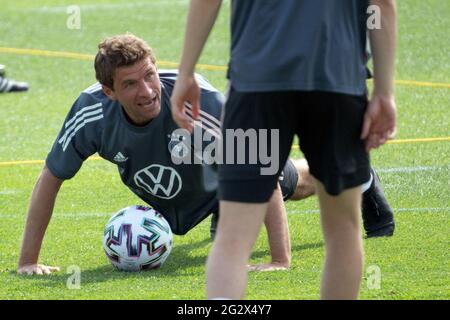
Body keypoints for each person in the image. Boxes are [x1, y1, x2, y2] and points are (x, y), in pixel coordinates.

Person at [171, 0, 397, 299]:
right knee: (343, 230)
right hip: (337, 82)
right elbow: (381, 6)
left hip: (255, 88)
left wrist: (186, 72)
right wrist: (384, 90)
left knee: (233, 238)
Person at [17, 34, 290, 275]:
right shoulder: (92, 114)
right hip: (175, 196)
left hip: (229, 180)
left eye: (149, 75)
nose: (147, 91)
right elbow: (51, 176)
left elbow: (259, 170)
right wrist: (28, 261)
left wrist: (279, 260)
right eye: (130, 84)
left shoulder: (199, 102)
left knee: (293, 180)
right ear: (109, 91)